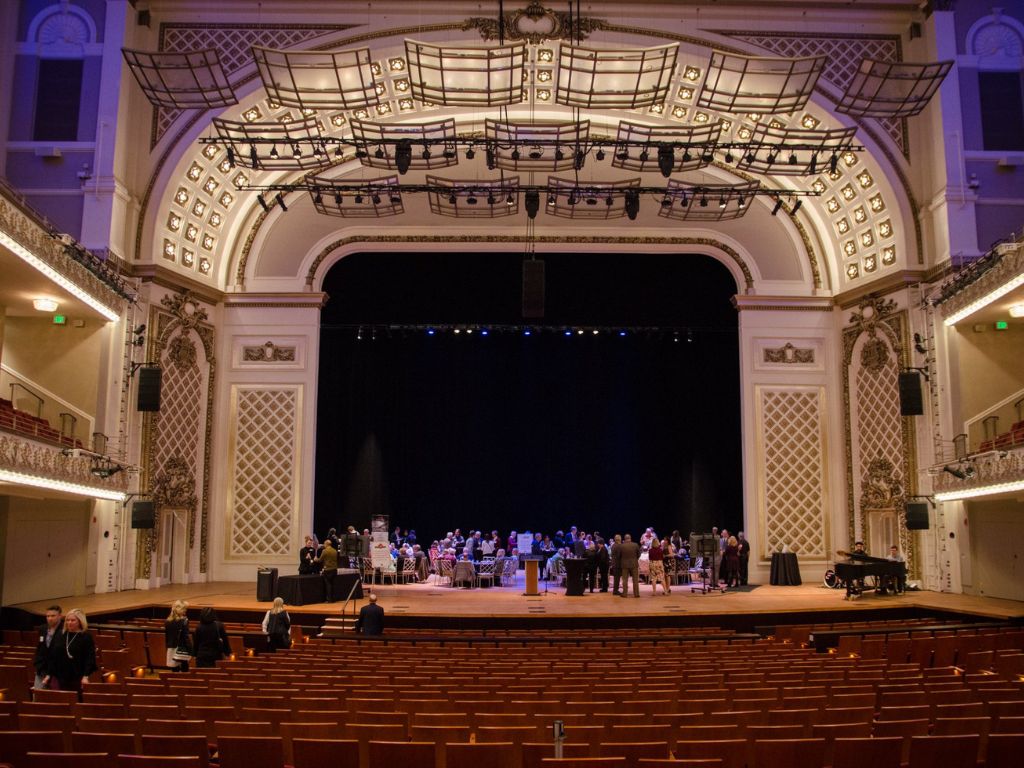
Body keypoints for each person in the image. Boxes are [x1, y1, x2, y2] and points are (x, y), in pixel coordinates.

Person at [42, 608, 96, 693]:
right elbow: (53, 656)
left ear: (80, 621)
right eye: (67, 620)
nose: (69, 623)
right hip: (59, 676)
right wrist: (48, 674)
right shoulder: (60, 634)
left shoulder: (86, 637)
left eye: (73, 620)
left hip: (77, 676)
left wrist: (86, 676)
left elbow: (90, 658)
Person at [33, 605, 62, 689]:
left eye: (53, 616)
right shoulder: (42, 628)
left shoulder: (64, 630)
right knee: (38, 695)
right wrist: (38, 663)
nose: (50, 618)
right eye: (48, 616)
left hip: (57, 671)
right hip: (42, 668)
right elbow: (40, 648)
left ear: (60, 616)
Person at [165, 599, 191, 671]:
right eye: (184, 609)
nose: (186, 610)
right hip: (181, 648)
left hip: (171, 647)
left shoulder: (167, 621)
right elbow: (186, 636)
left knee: (174, 669)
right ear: (179, 609)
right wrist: (190, 649)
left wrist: (167, 647)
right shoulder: (184, 620)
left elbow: (167, 636)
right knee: (184, 669)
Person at [319, 538, 339, 602]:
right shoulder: (335, 550)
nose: (324, 545)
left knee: (328, 585)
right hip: (334, 569)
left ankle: (329, 599)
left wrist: (314, 559)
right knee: (333, 584)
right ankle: (333, 599)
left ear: (326, 544)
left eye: (324, 544)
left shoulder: (325, 551)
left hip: (328, 570)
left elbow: (320, 560)